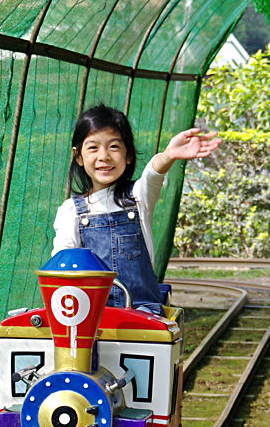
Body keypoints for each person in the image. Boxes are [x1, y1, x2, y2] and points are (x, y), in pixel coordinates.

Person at [52, 104, 221, 316]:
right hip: (91, 316)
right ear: (78, 156)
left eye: (113, 147)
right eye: (93, 148)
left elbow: (153, 174)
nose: (103, 156)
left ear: (128, 154)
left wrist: (168, 156)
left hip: (142, 314)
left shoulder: (138, 197)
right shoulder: (71, 211)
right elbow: (63, 263)